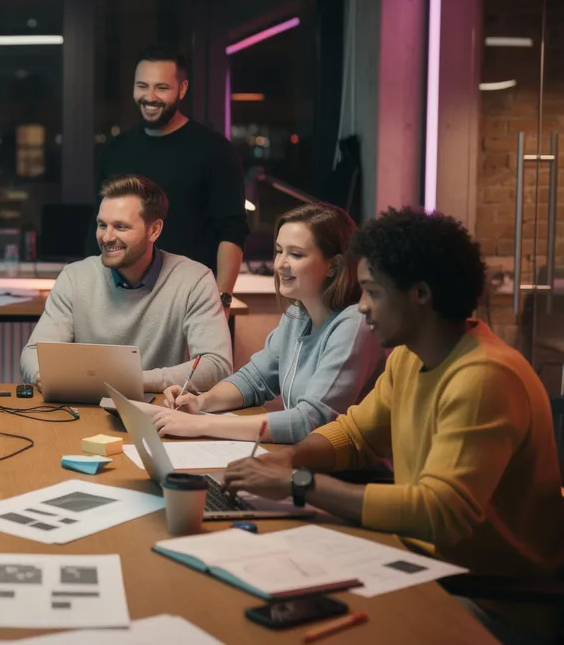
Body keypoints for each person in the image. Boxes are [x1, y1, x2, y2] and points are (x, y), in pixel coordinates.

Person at [222, 207, 564, 586]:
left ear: (420, 294)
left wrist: (299, 483)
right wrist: (288, 458)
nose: (363, 305)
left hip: (482, 594)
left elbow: (440, 514)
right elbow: (355, 434)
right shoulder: (408, 356)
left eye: (373, 292)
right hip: (415, 556)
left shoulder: (484, 376)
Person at [154, 202, 382, 443]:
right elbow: (255, 379)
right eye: (278, 251)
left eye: (296, 254)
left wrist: (202, 424)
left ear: (334, 266)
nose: (280, 264)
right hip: (303, 460)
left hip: (349, 474)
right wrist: (200, 402)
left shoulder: (355, 325)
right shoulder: (298, 313)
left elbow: (311, 421)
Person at [20, 175, 233, 393]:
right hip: (85, 412)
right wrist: (43, 375)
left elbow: (216, 366)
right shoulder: (74, 277)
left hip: (159, 413)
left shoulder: (194, 280)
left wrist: (133, 381)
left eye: (121, 227)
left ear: (154, 230)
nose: (107, 237)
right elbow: (33, 353)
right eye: (102, 225)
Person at [99, 45, 250, 316]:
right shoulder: (116, 150)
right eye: (142, 86)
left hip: (190, 301)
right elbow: (97, 228)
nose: (150, 97)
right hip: (120, 301)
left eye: (162, 88)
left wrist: (222, 301)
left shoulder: (215, 150)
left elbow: (232, 230)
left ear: (182, 90)